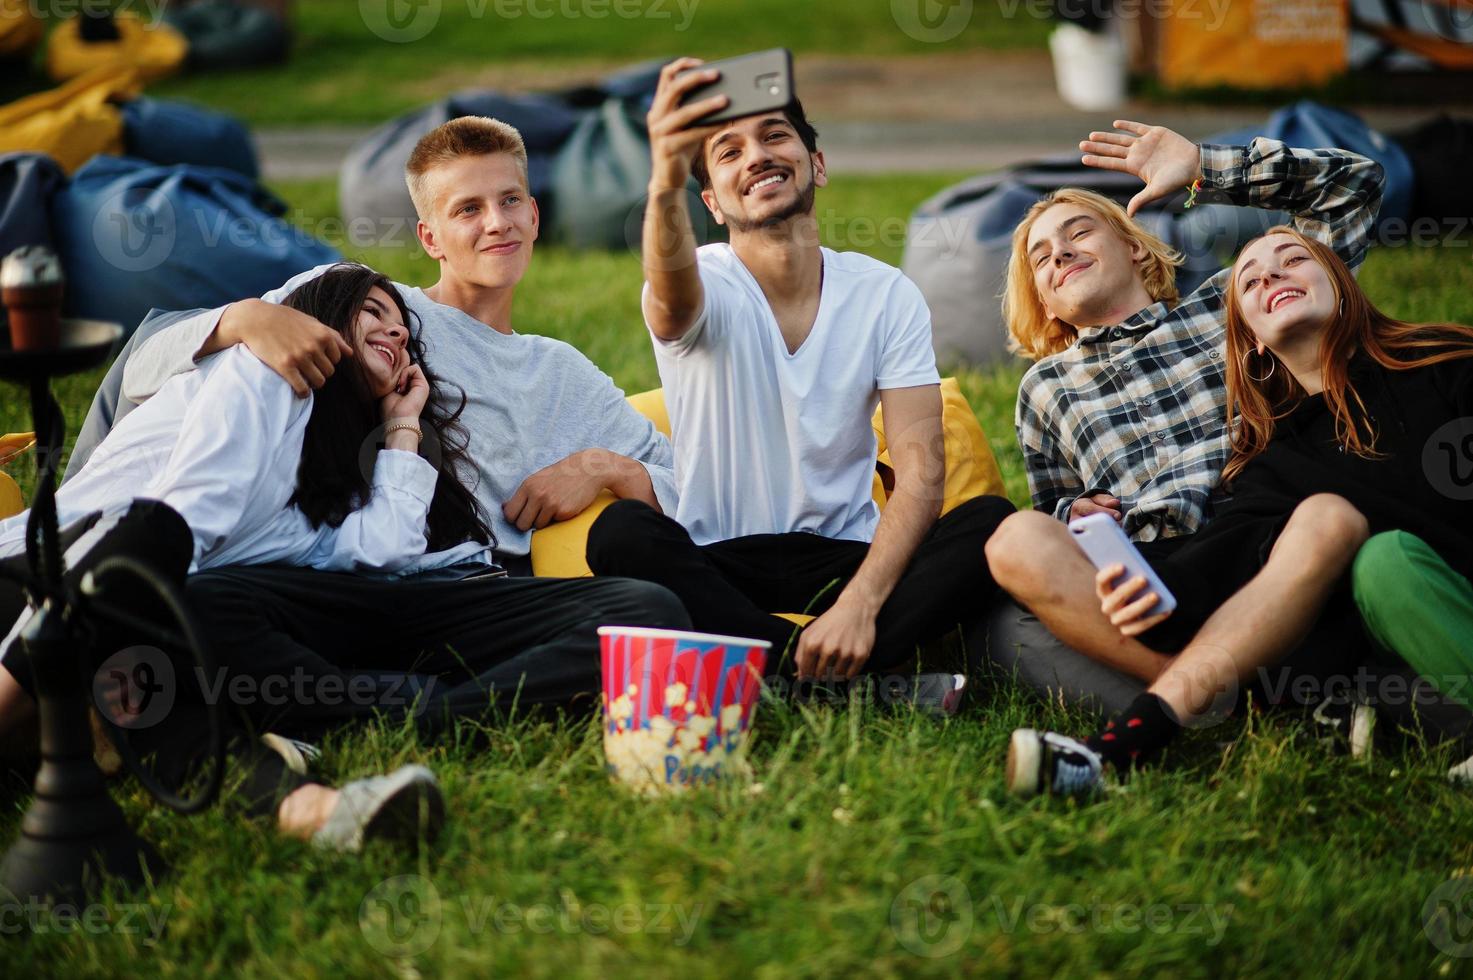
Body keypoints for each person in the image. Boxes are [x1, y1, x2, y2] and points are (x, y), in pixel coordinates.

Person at [95, 117, 691, 744]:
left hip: (461, 597)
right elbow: (144, 368)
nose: (497, 222)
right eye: (469, 208)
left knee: (648, 613)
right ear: (429, 236)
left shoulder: (563, 372)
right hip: (328, 579)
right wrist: (242, 319)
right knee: (199, 603)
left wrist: (606, 467)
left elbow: (689, 486)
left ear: (535, 215)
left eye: (510, 199)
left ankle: (419, 717)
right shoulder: (361, 303)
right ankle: (414, 704)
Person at [0, 265, 488, 848]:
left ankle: (319, 812)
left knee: (149, 668)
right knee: (147, 607)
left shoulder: (312, 497)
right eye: (373, 312)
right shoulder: (261, 371)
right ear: (325, 319)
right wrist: (246, 318)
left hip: (118, 627)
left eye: (403, 326)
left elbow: (380, 555)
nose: (399, 332)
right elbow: (179, 517)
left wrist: (402, 427)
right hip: (37, 589)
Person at [585, 57, 1015, 690]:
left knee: (990, 522)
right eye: (729, 151)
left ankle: (774, 669)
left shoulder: (884, 292)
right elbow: (671, 300)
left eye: (775, 136)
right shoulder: (701, 280)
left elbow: (922, 473)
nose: (756, 155)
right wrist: (663, 173)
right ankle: (852, 685)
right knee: (620, 534)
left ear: (817, 164)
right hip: (718, 560)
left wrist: (860, 606)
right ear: (710, 200)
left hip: (845, 561)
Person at [1007, 224, 1473, 795]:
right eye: (1250, 279)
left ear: (1342, 281)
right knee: (1381, 559)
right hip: (1372, 601)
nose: (1271, 275)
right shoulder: (1276, 460)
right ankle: (1139, 740)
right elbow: (1227, 555)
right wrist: (1153, 588)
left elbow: (1349, 192)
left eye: (1293, 260)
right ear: (1248, 338)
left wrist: (1203, 164)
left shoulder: (1447, 363)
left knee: (1377, 555)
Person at [981, 121, 1385, 710]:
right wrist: (1077, 511)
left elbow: (1354, 187)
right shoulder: (1045, 388)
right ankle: (1202, 689)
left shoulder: (1234, 302)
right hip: (1155, 567)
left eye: (1079, 233)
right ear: (1044, 299)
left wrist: (1203, 163)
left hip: (1265, 531)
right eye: (1041, 258)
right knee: (1014, 538)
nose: (1060, 252)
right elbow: (1058, 510)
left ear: (1135, 246)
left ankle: (1194, 694)